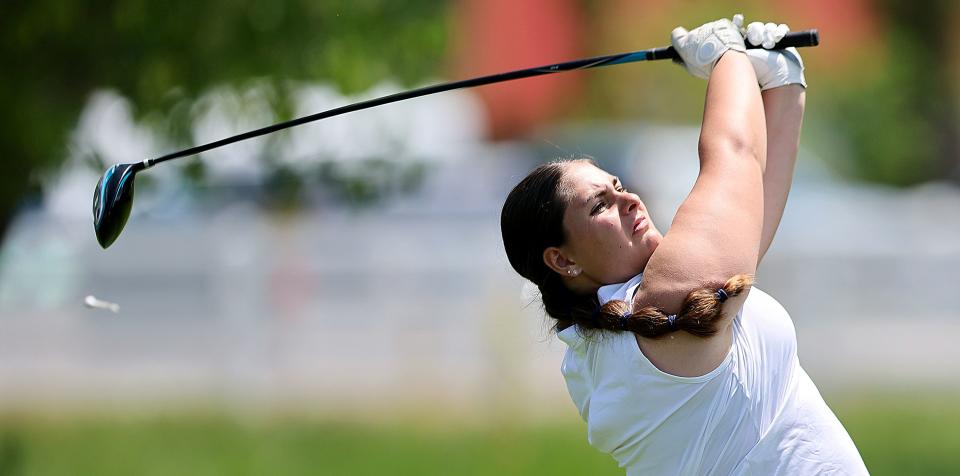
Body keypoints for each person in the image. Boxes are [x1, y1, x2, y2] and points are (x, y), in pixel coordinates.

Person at [500, 16, 868, 475]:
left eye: (618, 185)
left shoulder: (621, 327)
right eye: (600, 205)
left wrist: (782, 84)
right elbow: (733, 153)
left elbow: (751, 204)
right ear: (562, 259)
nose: (629, 200)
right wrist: (725, 55)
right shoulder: (654, 308)